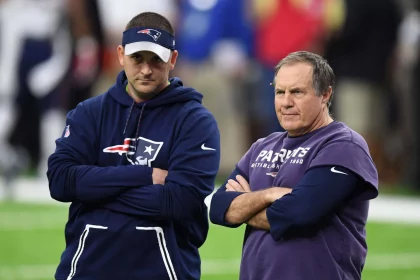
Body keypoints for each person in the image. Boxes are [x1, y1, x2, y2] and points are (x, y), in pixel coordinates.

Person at [47, 12, 220, 280]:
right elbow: (60, 182)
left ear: (172, 59)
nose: (146, 70)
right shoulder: (90, 112)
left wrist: (93, 191)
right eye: (137, 58)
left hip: (163, 270)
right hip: (85, 269)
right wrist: (144, 176)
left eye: (156, 60)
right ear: (120, 55)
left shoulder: (195, 121)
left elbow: (179, 201)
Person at [210, 51, 378, 280]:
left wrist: (244, 205)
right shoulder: (262, 146)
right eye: (280, 92)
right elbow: (218, 208)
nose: (286, 102)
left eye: (297, 92)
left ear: (325, 94)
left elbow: (298, 214)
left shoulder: (344, 145)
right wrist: (270, 195)